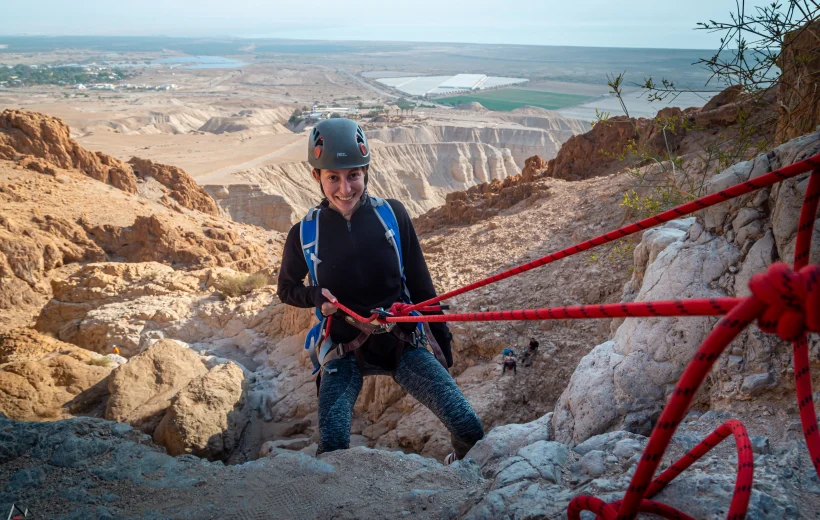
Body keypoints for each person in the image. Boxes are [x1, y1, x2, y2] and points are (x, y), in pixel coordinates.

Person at [277, 118, 484, 464]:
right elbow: (286, 289)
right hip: (343, 350)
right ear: (317, 177)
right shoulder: (304, 233)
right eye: (333, 177)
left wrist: (442, 347)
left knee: (468, 428)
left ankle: (459, 471)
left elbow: (421, 286)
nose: (345, 188)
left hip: (401, 343)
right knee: (332, 449)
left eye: (353, 175)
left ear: (366, 172)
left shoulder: (393, 215)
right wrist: (315, 298)